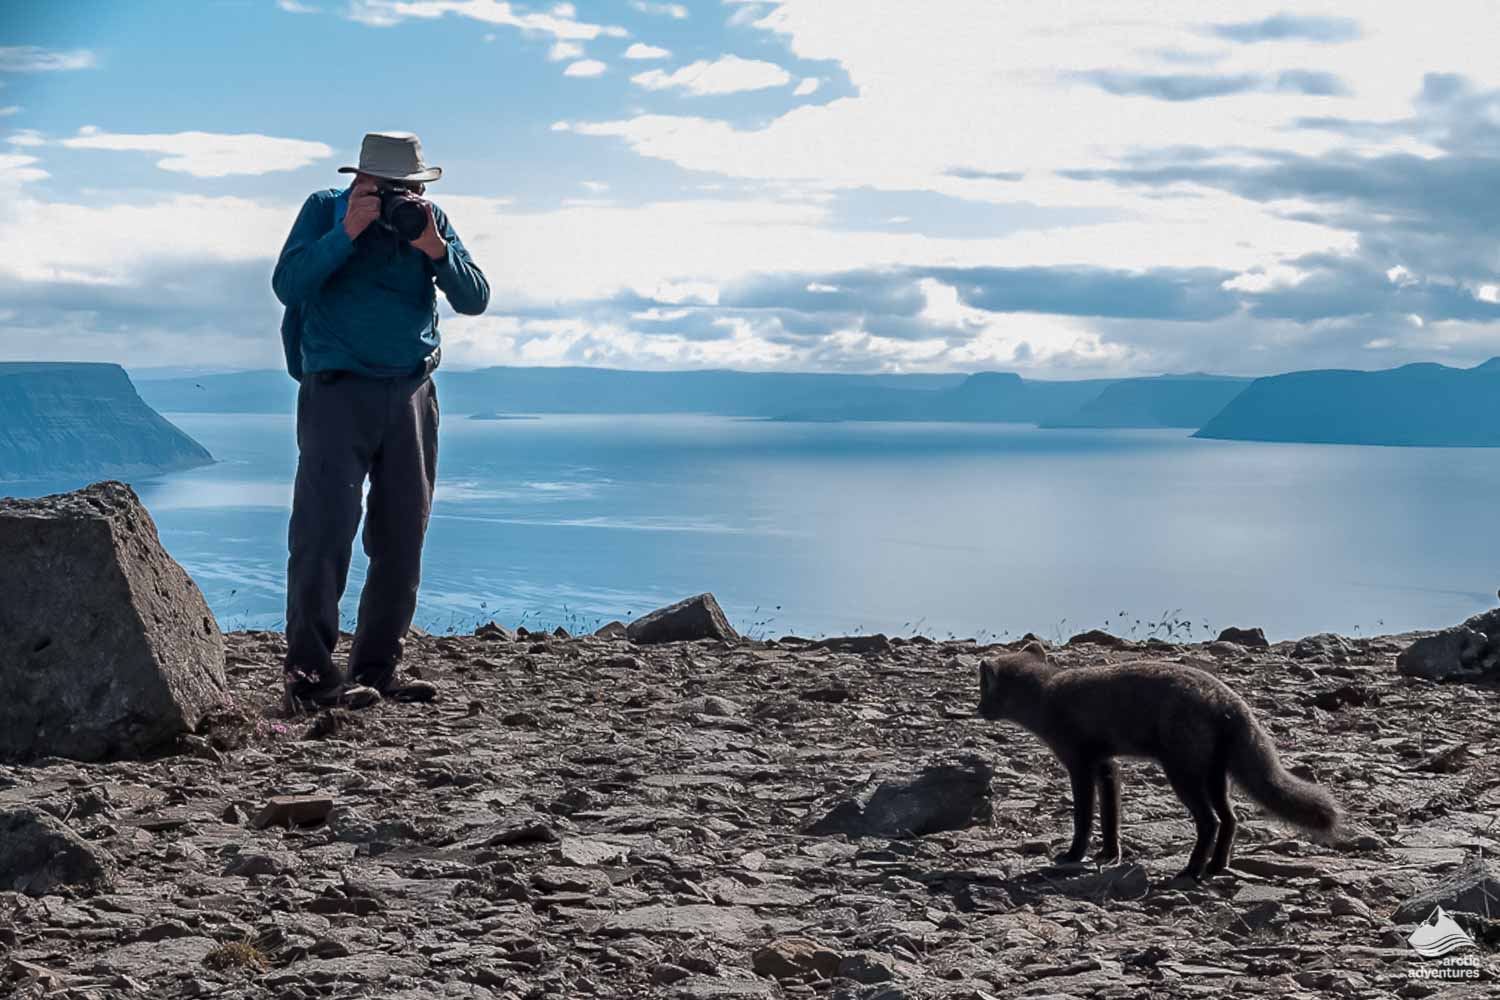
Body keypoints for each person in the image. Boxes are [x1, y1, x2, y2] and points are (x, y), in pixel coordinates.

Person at [271, 131, 490, 713]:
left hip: (412, 391)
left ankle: (375, 671)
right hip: (336, 392)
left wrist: (434, 249)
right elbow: (287, 284)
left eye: (409, 188)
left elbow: (475, 298)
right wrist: (347, 232)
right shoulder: (325, 211)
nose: (400, 197)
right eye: (386, 188)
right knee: (322, 532)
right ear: (359, 181)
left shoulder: (429, 221)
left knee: (402, 536)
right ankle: (311, 679)